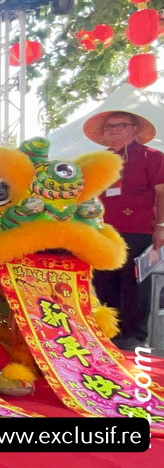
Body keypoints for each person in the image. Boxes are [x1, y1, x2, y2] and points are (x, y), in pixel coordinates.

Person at [84, 110, 164, 349]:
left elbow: (162, 193)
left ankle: (134, 337)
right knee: (104, 281)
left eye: (120, 125)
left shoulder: (152, 156)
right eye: (109, 127)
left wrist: (161, 226)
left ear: (134, 129)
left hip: (138, 230)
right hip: (103, 231)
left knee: (135, 282)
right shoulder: (97, 161)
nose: (114, 130)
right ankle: (110, 333)